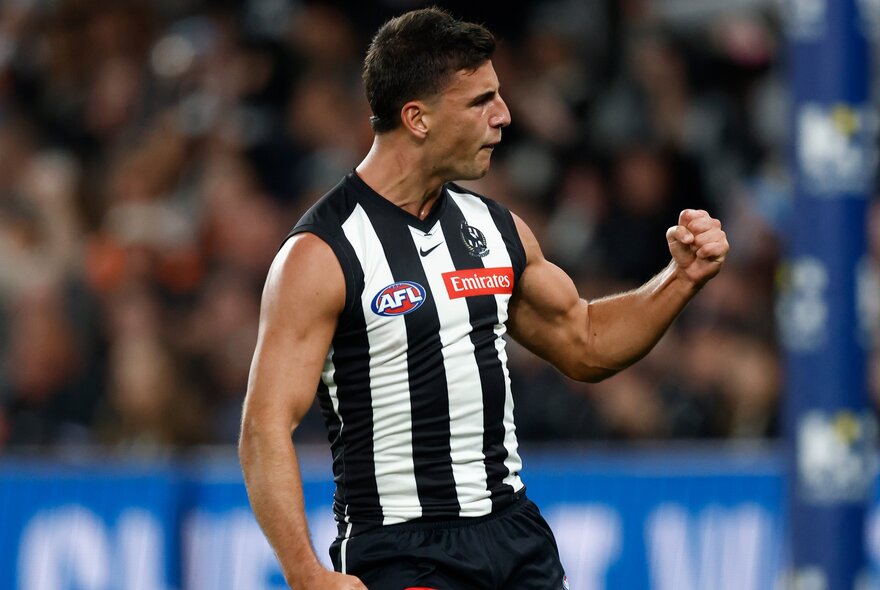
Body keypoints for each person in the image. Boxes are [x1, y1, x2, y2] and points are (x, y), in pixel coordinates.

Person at [239, 7, 729, 590]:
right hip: (401, 548)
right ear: (417, 118)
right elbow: (264, 425)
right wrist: (305, 573)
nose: (504, 116)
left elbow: (587, 343)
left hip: (513, 535)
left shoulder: (495, 230)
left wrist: (679, 278)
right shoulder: (322, 253)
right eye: (481, 101)